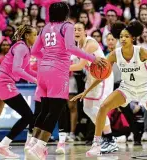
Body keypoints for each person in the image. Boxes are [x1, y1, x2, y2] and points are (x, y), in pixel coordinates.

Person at [71, 20, 147, 159]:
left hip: (146, 88)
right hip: (127, 88)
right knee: (103, 107)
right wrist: (86, 91)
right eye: (121, 36)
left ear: (133, 38)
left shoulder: (142, 52)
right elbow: (102, 75)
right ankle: (97, 144)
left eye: (126, 36)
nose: (123, 39)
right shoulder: (115, 54)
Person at [25, 2, 106, 160]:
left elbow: (34, 51)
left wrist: (48, 58)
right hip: (57, 72)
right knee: (55, 111)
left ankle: (31, 144)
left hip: (43, 71)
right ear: (65, 13)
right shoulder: (67, 26)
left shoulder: (45, 28)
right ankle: (39, 147)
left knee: (44, 110)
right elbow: (70, 47)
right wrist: (92, 58)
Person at [67, 22, 118, 154]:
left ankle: (109, 139)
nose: (76, 32)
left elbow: (79, 66)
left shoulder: (90, 44)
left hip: (103, 78)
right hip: (91, 77)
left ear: (85, 31)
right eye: (74, 30)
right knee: (87, 108)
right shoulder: (77, 44)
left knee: (99, 108)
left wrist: (59, 68)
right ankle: (107, 136)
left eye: (79, 29)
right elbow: (70, 59)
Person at [0, 24, 37, 159]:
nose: (36, 38)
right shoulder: (21, 47)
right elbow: (17, 70)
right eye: (34, 35)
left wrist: (41, 77)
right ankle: (3, 145)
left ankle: (3, 145)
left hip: (2, 79)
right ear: (27, 36)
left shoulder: (25, 48)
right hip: (4, 81)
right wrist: (35, 80)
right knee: (28, 116)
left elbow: (27, 69)